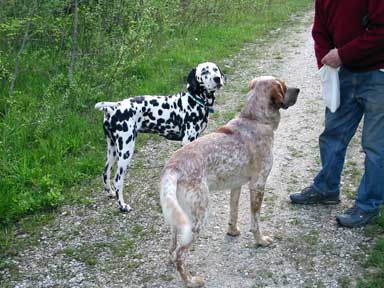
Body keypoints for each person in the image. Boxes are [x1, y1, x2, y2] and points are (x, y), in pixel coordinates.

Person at [290, 0, 384, 227]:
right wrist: (325, 64)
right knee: (332, 134)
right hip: (343, 74)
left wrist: (342, 54)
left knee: (375, 147)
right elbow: (319, 31)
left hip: (378, 75)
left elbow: (381, 31)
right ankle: (327, 188)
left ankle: (368, 205)